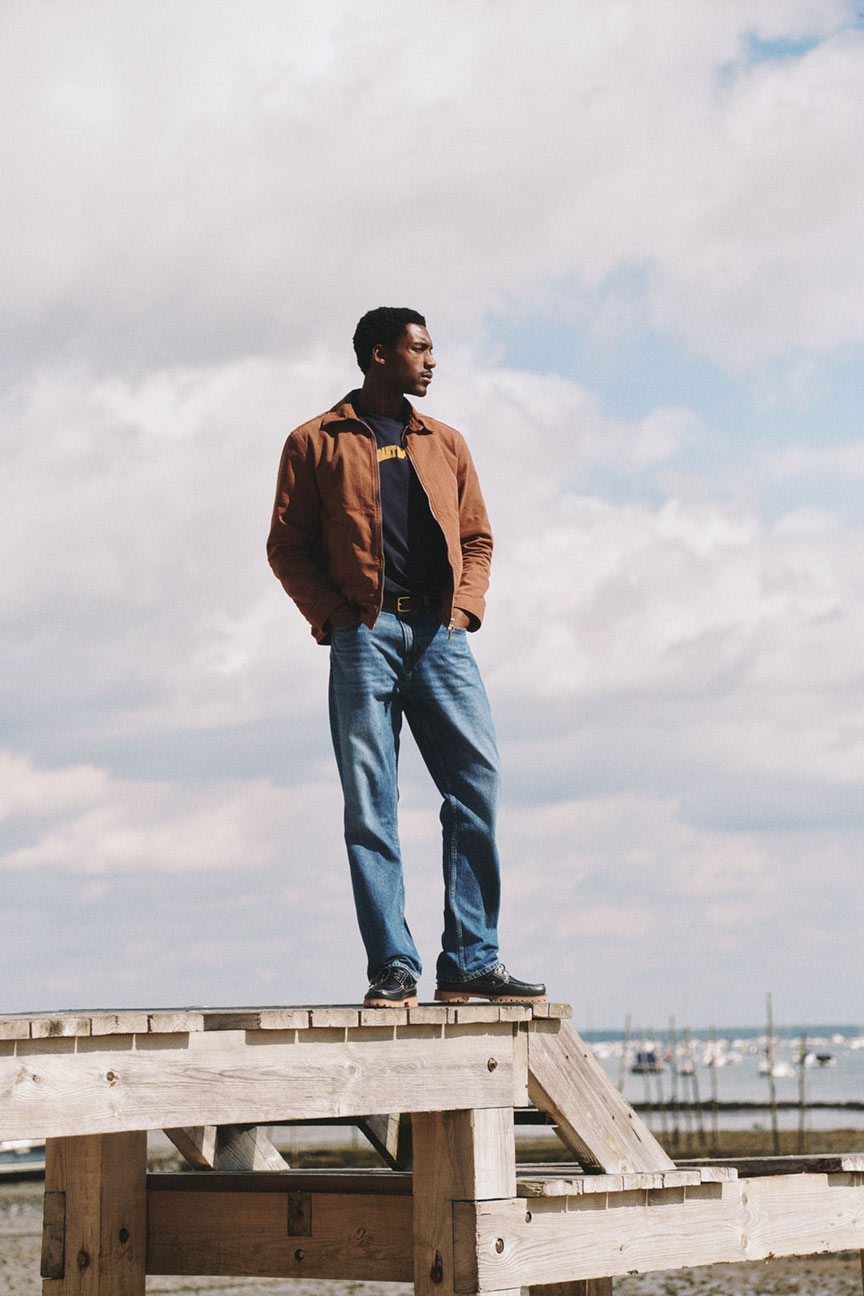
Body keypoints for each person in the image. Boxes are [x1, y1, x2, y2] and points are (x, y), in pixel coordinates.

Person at [267, 307, 546, 1008]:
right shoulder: (314, 441)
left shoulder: (446, 442)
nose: (431, 361)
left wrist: (465, 610)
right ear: (378, 354)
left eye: (431, 348)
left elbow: (478, 537)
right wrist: (333, 619)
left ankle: (470, 961)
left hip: (441, 640)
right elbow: (287, 547)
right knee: (372, 807)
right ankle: (393, 965)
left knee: (476, 785)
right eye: (419, 348)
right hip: (364, 638)